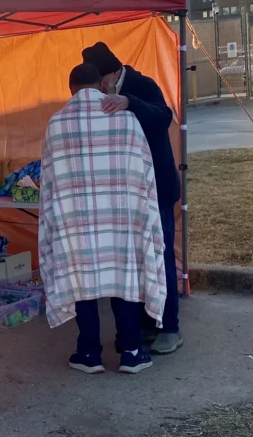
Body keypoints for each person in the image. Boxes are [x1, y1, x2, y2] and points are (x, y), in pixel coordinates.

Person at [39, 63, 166, 375]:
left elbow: (49, 184)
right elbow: (145, 174)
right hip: (122, 218)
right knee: (124, 278)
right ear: (101, 85)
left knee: (83, 283)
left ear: (71, 89)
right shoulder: (125, 118)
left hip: (75, 221)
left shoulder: (56, 125)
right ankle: (132, 352)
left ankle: (89, 354)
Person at [82, 41, 183, 355]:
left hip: (158, 187)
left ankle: (170, 327)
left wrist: (129, 101)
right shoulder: (98, 96)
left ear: (113, 74)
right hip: (125, 191)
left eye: (102, 82)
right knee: (134, 261)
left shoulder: (142, 85)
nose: (100, 88)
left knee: (160, 256)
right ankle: (143, 324)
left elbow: (163, 117)